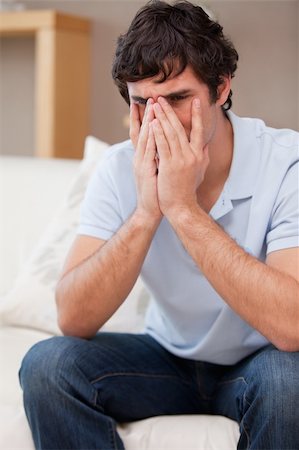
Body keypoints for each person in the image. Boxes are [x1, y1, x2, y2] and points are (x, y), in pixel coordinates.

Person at [19, 1, 299, 449]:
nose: (160, 121)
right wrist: (148, 210)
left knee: (292, 383)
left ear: (222, 88)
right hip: (164, 359)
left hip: (260, 362)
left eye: (177, 99)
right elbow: (72, 317)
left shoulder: (287, 164)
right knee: (48, 365)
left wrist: (183, 209)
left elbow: (292, 325)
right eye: (143, 103)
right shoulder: (117, 169)